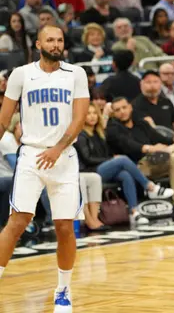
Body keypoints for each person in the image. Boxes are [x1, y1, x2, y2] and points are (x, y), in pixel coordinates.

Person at [0, 25, 89, 312]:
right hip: (31, 156)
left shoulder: (76, 74)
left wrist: (58, 148)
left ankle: (63, 290)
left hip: (63, 158)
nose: (55, 44)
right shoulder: (21, 74)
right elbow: (3, 120)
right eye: (50, 39)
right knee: (17, 222)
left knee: (64, 227)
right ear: (38, 43)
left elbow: (79, 118)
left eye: (59, 40)